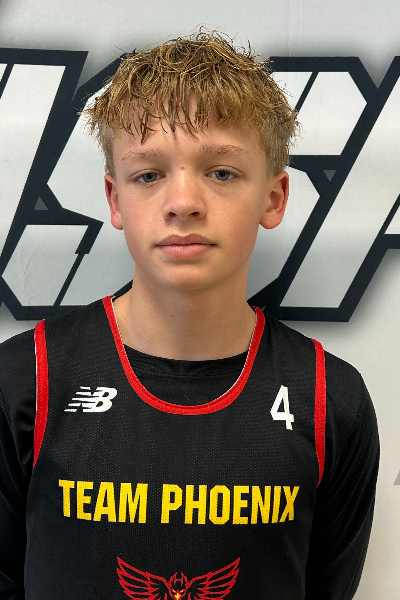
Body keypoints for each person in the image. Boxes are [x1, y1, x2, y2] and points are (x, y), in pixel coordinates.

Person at [0, 26, 379, 600]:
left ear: (273, 197)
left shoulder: (331, 400)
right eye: (149, 174)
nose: (182, 203)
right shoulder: (24, 380)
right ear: (115, 199)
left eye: (221, 172)